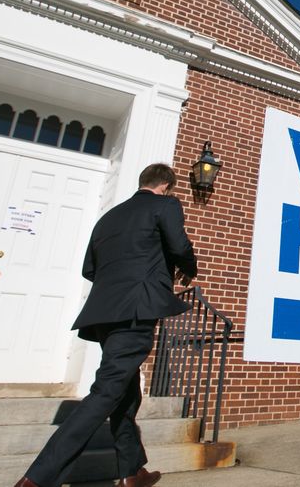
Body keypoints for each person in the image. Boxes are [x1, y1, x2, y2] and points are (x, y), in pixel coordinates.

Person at [15, 163, 199, 487]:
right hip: (136, 311)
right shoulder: (165, 205)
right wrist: (188, 267)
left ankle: (132, 473)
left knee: (125, 393)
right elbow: (179, 246)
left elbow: (90, 268)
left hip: (103, 314)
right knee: (106, 392)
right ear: (167, 187)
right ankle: (37, 479)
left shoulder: (108, 218)